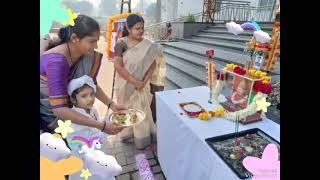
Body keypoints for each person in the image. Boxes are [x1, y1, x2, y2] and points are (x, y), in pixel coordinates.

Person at [40, 15, 126, 136]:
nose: (96, 46)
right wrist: (102, 126)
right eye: (92, 41)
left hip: (72, 112)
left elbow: (91, 83)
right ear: (75, 38)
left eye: (96, 41)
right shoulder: (56, 62)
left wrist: (112, 105)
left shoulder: (81, 54)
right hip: (52, 116)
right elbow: (59, 109)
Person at [113, 14, 166, 149]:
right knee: (128, 111)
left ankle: (142, 139)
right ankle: (127, 134)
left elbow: (153, 64)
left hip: (143, 86)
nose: (141, 31)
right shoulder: (121, 44)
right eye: (137, 28)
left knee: (142, 112)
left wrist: (143, 82)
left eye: (142, 28)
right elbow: (118, 67)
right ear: (129, 29)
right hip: (126, 85)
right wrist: (135, 81)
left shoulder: (148, 45)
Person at [65, 75, 108, 150]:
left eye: (92, 94)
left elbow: (96, 127)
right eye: (84, 96)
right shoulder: (74, 121)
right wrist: (106, 129)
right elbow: (87, 142)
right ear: (73, 100)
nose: (90, 99)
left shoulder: (91, 108)